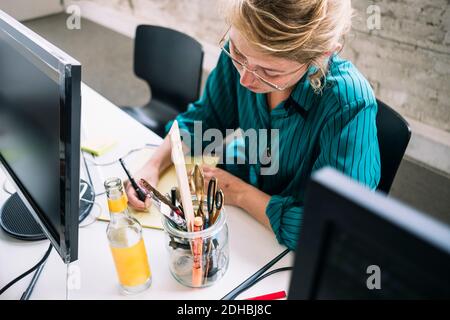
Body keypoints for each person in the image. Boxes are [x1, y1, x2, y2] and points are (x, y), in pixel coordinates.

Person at [125, 0, 380, 251]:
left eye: (270, 72)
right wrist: (153, 165)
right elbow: (204, 119)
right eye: (237, 53)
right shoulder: (246, 54)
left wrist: (239, 194)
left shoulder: (349, 104)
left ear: (323, 55)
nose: (245, 79)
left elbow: (332, 229)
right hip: (245, 209)